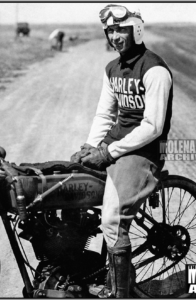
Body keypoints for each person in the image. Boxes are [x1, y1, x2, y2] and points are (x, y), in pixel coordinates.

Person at [70, 4, 173, 298]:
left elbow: (152, 127)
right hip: (116, 145)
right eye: (110, 30)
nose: (115, 36)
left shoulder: (154, 69)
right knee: (68, 185)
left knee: (112, 220)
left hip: (144, 151)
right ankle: (81, 268)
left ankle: (120, 292)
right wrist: (91, 146)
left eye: (121, 29)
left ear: (136, 30)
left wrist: (109, 152)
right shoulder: (112, 68)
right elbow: (105, 115)